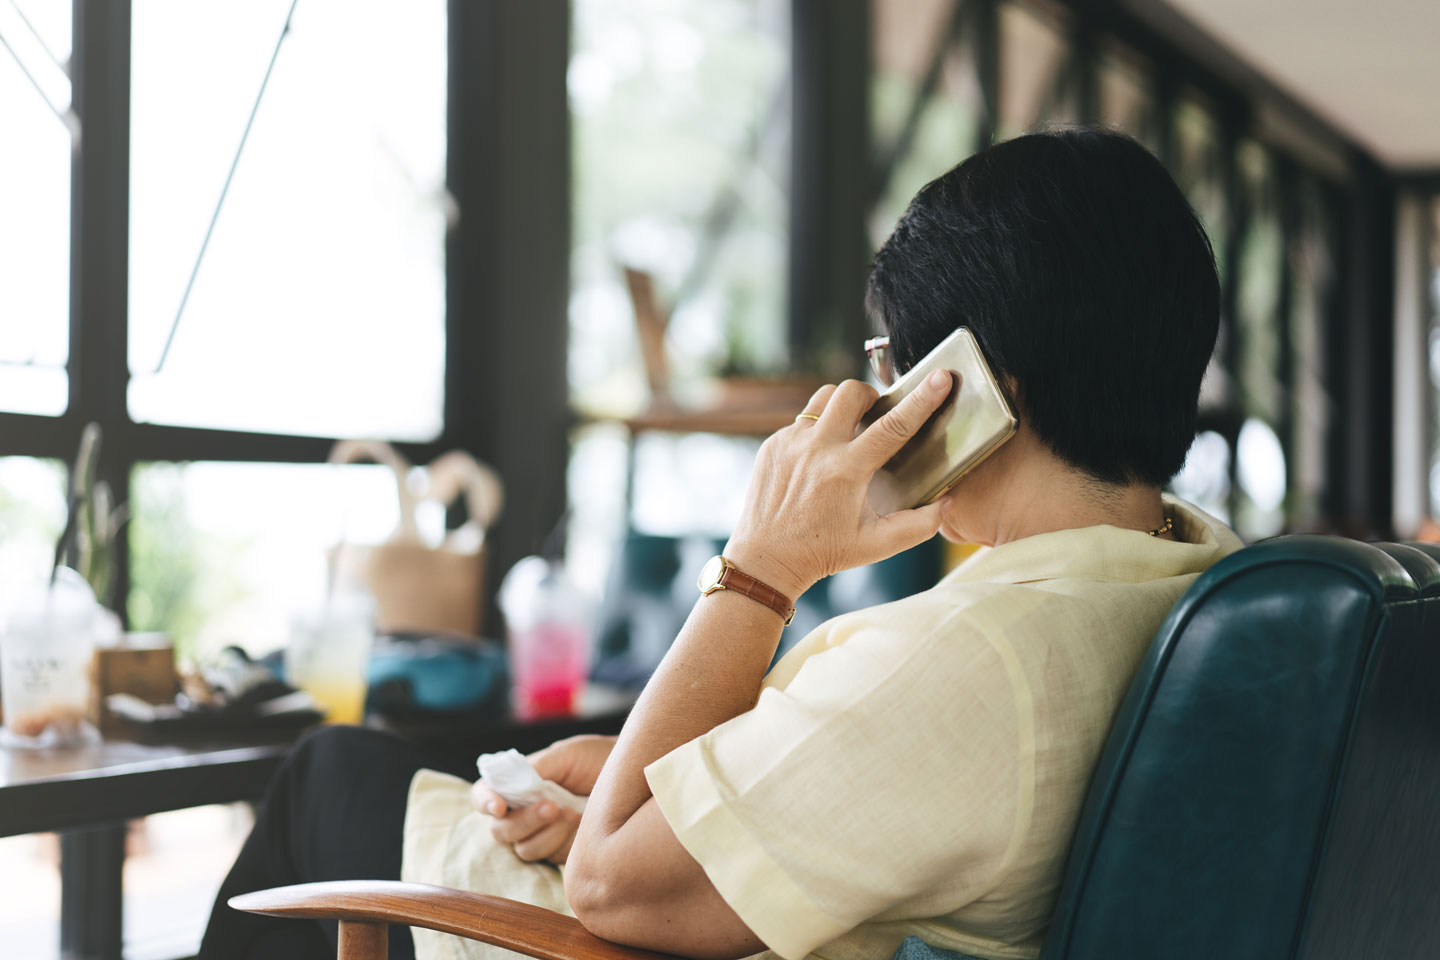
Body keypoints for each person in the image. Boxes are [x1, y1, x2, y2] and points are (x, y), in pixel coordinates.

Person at [198, 126, 1242, 960]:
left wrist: (762, 566)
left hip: (625, 935)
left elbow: (610, 883)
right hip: (752, 893)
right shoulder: (1198, 584)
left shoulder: (978, 655)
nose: (886, 394)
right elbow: (888, 789)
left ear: (971, 392)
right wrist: (653, 785)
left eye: (897, 362)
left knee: (326, 775)